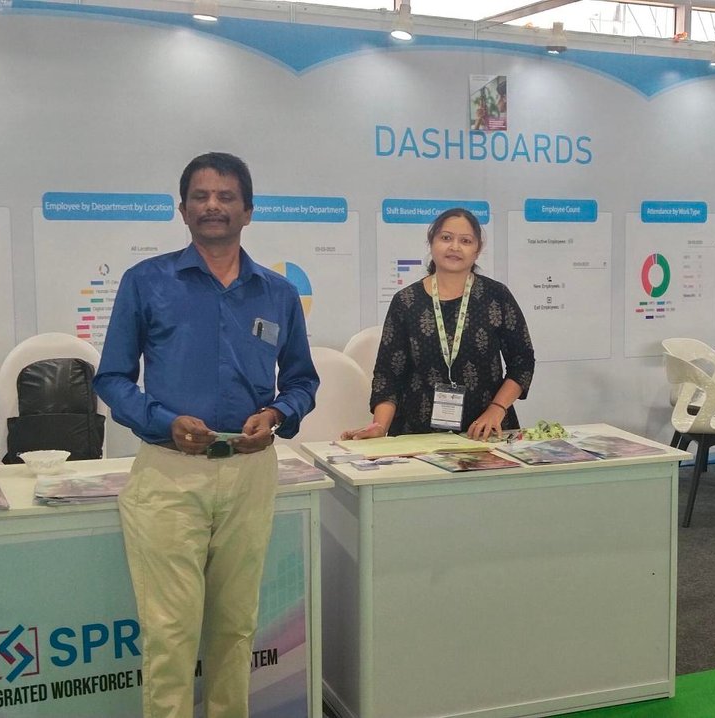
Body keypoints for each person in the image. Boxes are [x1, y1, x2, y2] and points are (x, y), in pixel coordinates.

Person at [94, 152, 318, 718]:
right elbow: (112, 378)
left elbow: (301, 381)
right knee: (169, 633)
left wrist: (277, 414)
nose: (212, 205)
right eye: (200, 196)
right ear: (183, 209)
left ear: (249, 210)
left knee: (235, 627)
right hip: (170, 474)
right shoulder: (146, 282)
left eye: (225, 196)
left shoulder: (277, 293)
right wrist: (161, 420)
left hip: (249, 474)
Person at [342, 207, 534, 440]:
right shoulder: (406, 301)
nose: (455, 247)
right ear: (431, 242)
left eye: (465, 241)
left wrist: (497, 409)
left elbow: (522, 361)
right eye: (446, 238)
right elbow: (388, 374)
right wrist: (380, 426)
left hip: (485, 431)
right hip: (417, 433)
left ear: (477, 250)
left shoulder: (496, 296)